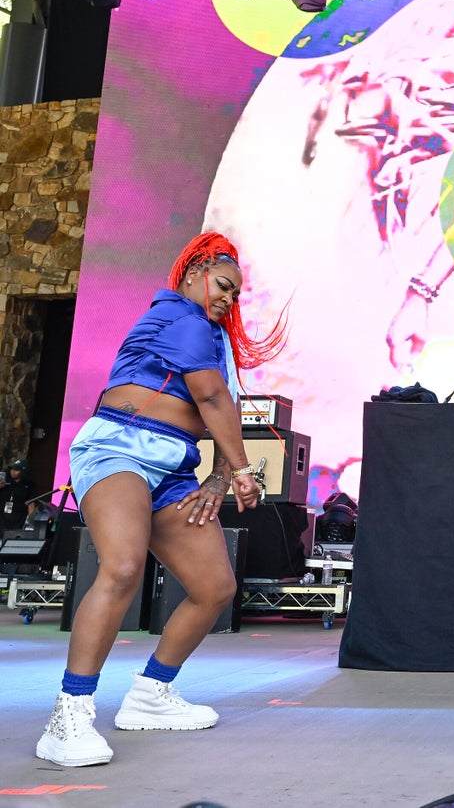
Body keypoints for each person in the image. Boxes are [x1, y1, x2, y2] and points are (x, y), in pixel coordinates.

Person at [37, 232, 286, 767]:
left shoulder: (215, 339)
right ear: (194, 272)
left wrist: (219, 480)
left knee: (214, 586)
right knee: (123, 567)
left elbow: (227, 415)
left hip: (171, 467)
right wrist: (241, 471)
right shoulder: (177, 317)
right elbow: (211, 398)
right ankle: (69, 713)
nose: (228, 299)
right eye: (223, 285)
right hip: (118, 448)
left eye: (237, 295)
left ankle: (151, 693)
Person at [1, 458, 35, 531]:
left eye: (16, 470)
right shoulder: (5, 482)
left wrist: (30, 522)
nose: (12, 471)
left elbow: (31, 503)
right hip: (2, 516)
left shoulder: (29, 485)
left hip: (19, 518)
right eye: (12, 469)